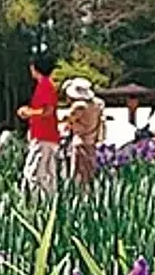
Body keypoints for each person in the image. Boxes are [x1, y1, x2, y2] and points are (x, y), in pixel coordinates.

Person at [17, 53, 61, 195]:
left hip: (43, 137)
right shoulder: (48, 85)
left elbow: (48, 110)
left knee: (34, 173)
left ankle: (36, 204)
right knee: (48, 175)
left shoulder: (45, 86)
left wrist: (28, 112)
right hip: (49, 137)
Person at [62, 77, 105, 189]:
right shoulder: (97, 105)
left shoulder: (79, 106)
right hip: (92, 142)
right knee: (89, 174)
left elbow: (66, 117)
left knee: (78, 176)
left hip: (80, 142)